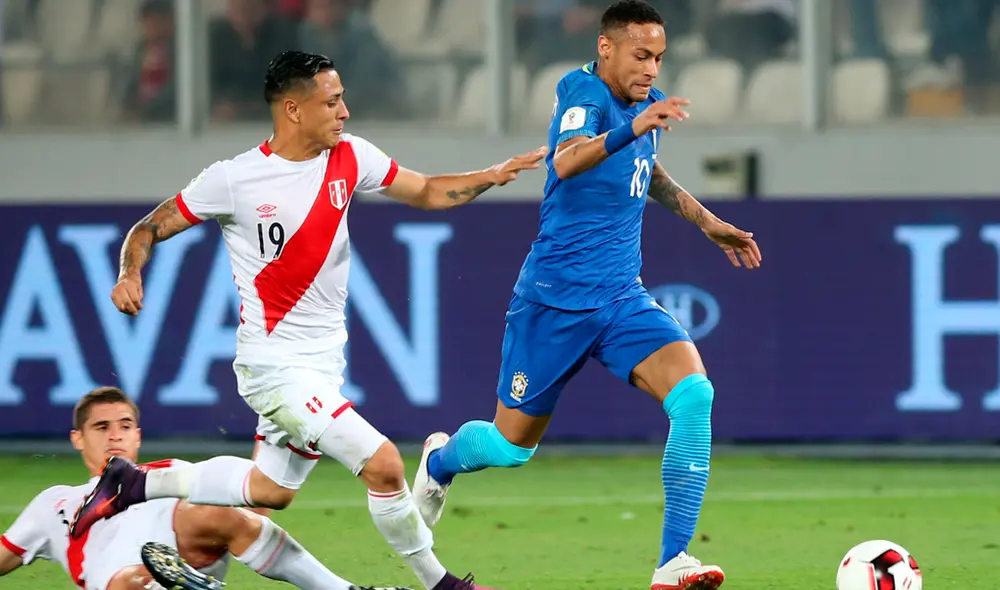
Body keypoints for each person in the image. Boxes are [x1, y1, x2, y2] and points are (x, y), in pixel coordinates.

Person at [69, 50, 546, 590]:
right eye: (332, 101)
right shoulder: (236, 179)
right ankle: (443, 585)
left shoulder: (351, 157)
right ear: (293, 109)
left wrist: (489, 175)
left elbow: (427, 190)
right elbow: (149, 227)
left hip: (321, 365)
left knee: (270, 491)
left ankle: (133, 483)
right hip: (273, 366)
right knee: (384, 463)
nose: (344, 112)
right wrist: (130, 273)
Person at [411, 2, 762, 590]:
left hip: (623, 299)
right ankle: (440, 461)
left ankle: (673, 562)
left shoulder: (638, 109)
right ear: (607, 48)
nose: (652, 69)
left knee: (694, 395)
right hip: (554, 302)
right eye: (641, 55)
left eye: (659, 58)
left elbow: (646, 171)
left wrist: (707, 221)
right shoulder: (582, 93)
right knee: (509, 446)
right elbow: (569, 159)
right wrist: (635, 126)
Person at [0, 386, 409, 590]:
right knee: (132, 578)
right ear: (77, 438)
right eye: (101, 427)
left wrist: (276, 430)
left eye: (124, 426)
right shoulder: (55, 502)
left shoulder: (169, 474)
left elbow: (251, 515)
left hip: (186, 558)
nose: (114, 436)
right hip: (118, 583)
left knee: (214, 512)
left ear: (138, 436)